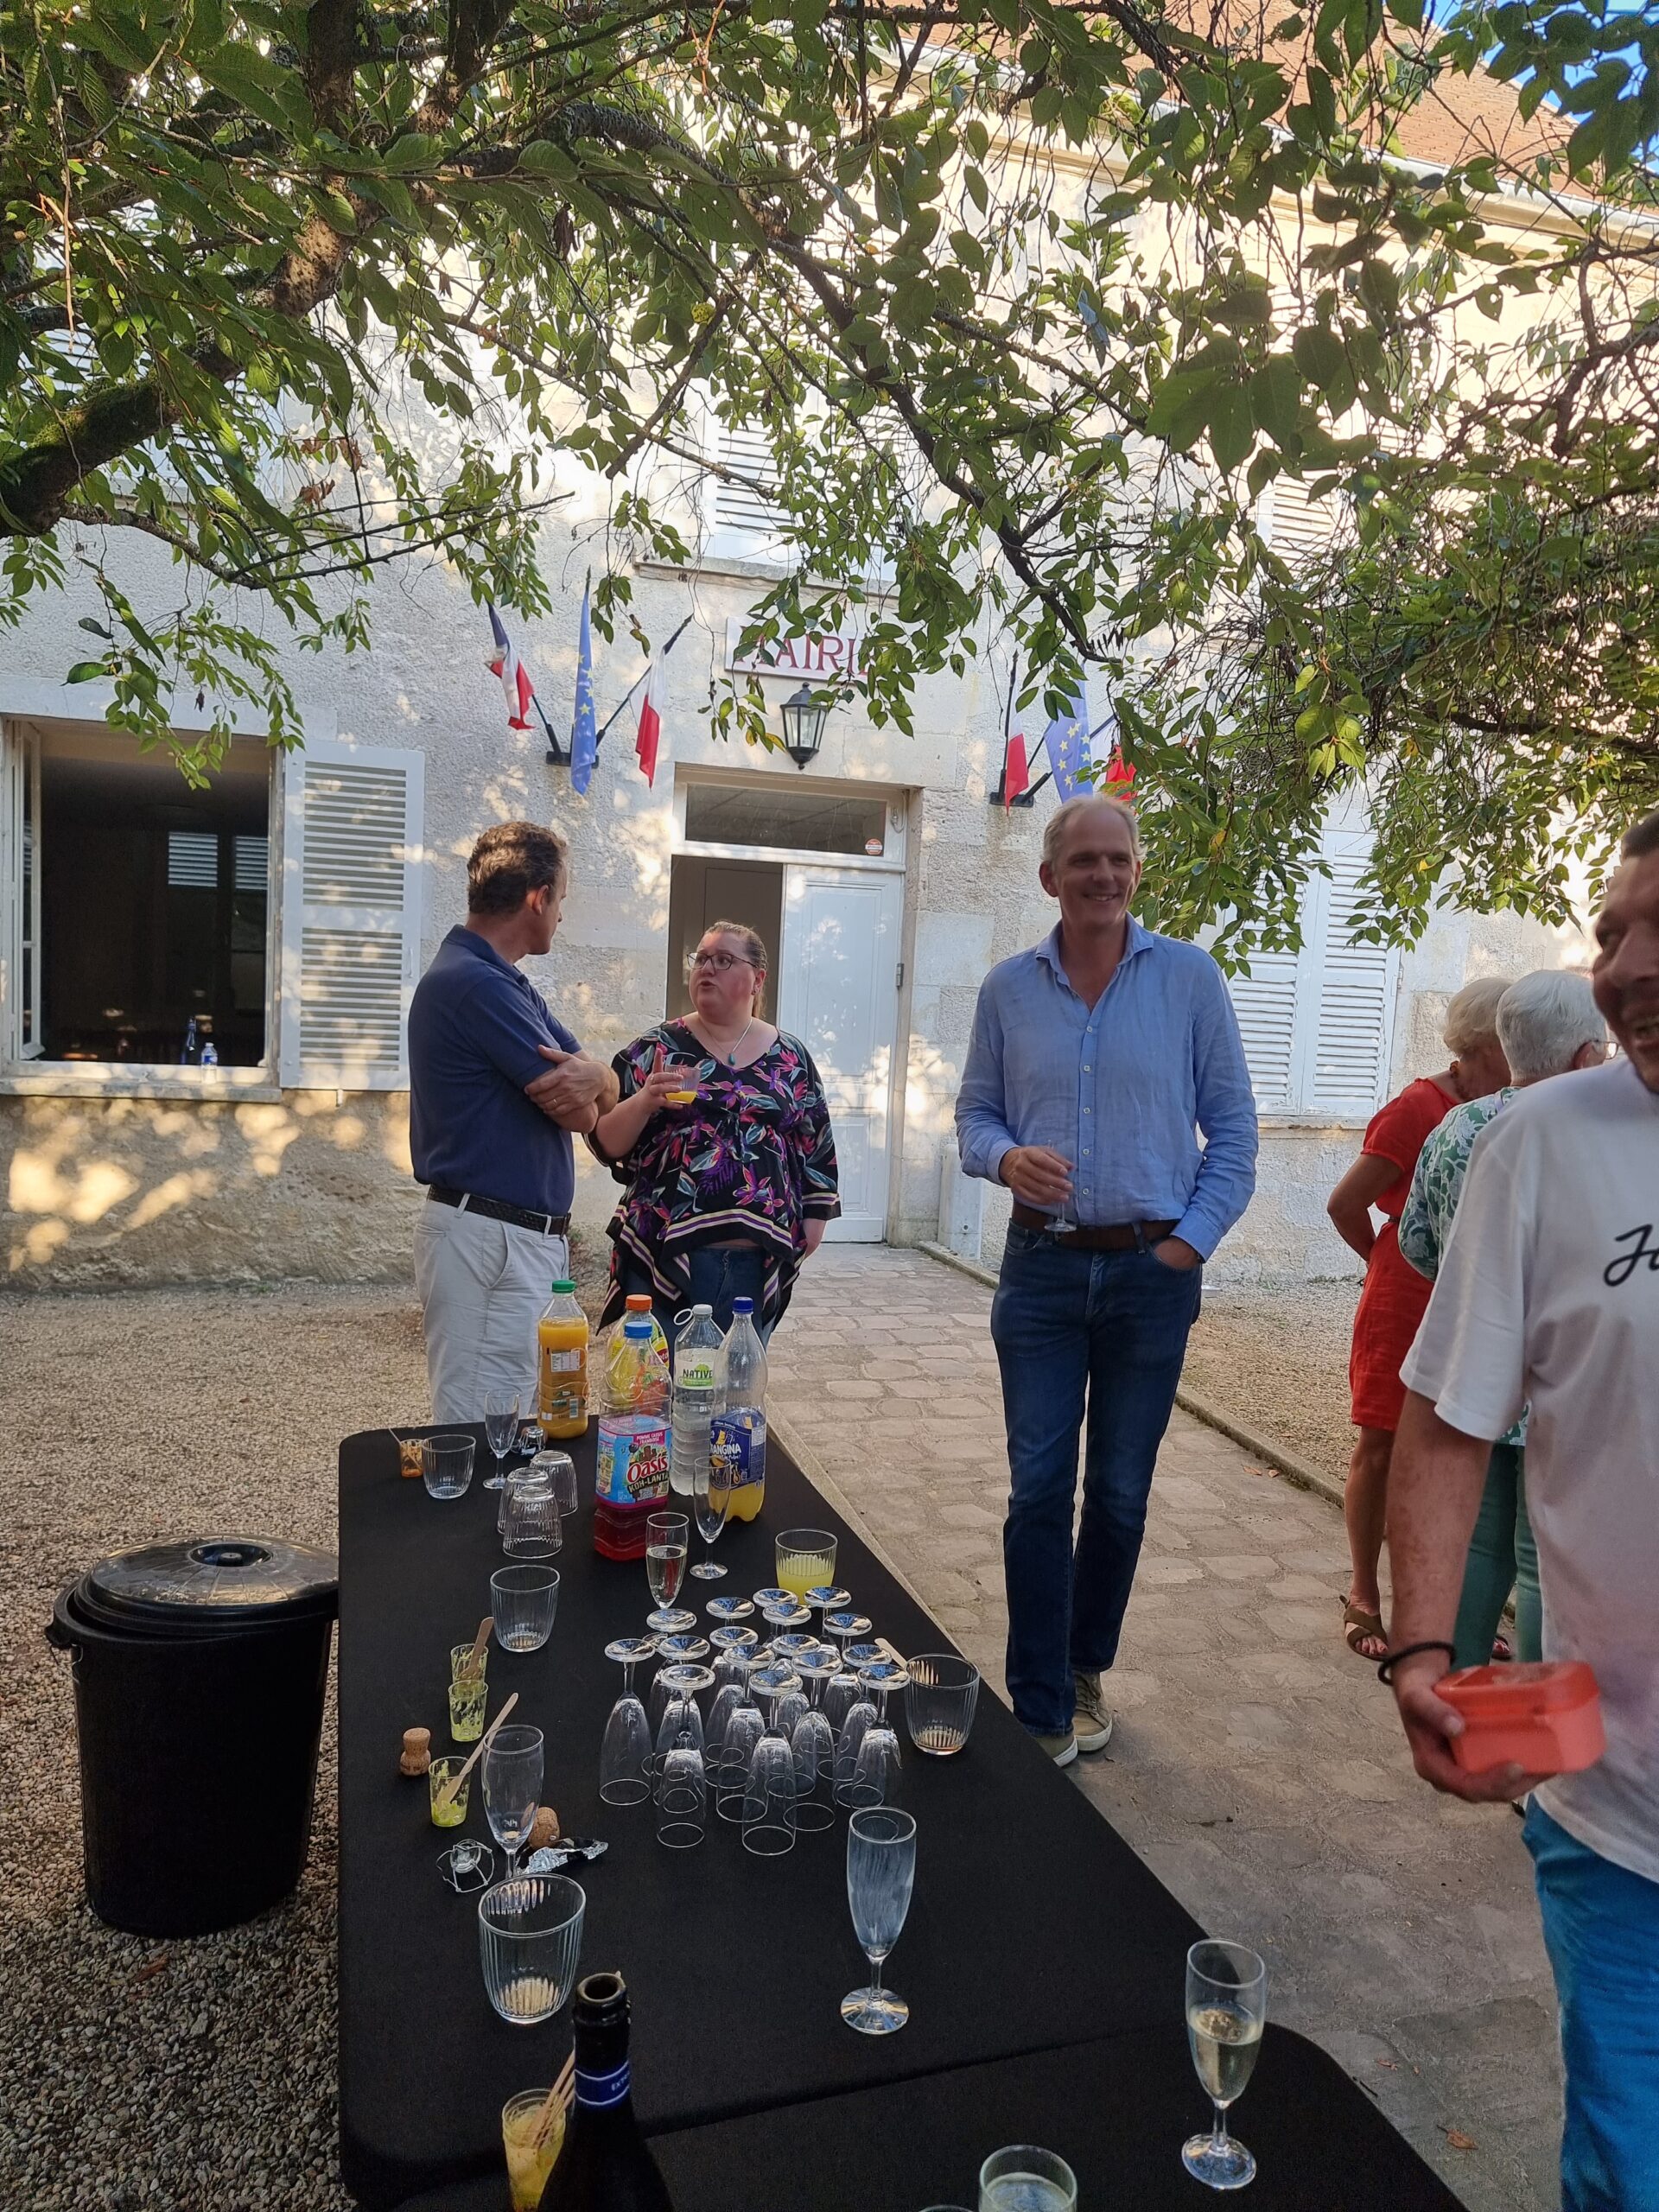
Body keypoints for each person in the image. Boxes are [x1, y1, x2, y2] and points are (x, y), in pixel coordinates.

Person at [1386, 810, 1659, 2212]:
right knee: (1629, 2172)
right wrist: (1424, 1650)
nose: (1627, 966)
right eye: (1613, 933)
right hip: (1623, 1813)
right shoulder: (1542, 1141)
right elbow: (1445, 1419)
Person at [956, 795, 1258, 1765]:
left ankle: (1085, 1665)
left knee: (1120, 1493)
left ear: (1136, 870)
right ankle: (1041, 1699)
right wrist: (1006, 1159)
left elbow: (1234, 1134)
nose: (1104, 874)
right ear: (1050, 877)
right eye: (1084, 859)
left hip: (1150, 1275)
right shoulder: (1009, 989)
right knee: (1039, 1490)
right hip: (1041, 1272)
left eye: (1118, 858)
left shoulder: (1190, 980)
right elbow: (973, 1118)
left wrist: (1186, 1246)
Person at [1396, 969, 1607, 1669]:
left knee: (1478, 1545)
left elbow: (1416, 1242)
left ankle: (1454, 1693)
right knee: (1544, 1559)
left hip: (1472, 1371)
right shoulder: (1597, 1133)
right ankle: (1543, 1715)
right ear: (1585, 1054)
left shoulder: (1457, 1126)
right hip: (1565, 1382)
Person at [1326, 977, 1511, 1660]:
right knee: (1381, 1446)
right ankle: (1364, 1595)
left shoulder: (1512, 1105)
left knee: (1460, 1450)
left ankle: (1446, 1606)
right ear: (1482, 1044)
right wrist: (1384, 1266)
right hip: (1408, 1290)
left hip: (1477, 1294)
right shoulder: (1418, 1107)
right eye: (1511, 1039)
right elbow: (1346, 1204)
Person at [408, 821, 618, 1423]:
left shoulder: (504, 982)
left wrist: (599, 1078)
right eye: (562, 900)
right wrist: (597, 1086)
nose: (561, 916)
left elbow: (603, 1086)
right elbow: (583, 1112)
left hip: (508, 1240)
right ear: (537, 897)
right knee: (488, 1428)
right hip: (492, 1242)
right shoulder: (476, 985)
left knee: (520, 1422)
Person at [588, 919, 839, 1349]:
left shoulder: (791, 1056)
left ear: (757, 979)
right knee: (661, 1379)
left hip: (758, 1255)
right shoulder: (657, 1047)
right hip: (663, 1250)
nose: (707, 968)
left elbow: (817, 1147)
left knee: (736, 1379)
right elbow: (605, 1141)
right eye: (701, 959)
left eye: (723, 960)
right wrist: (646, 1099)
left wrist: (811, 1227)